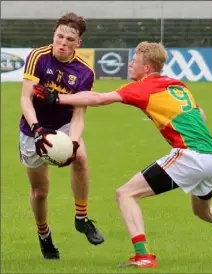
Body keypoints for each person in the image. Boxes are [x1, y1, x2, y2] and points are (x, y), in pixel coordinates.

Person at [33, 41, 212, 267]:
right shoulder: (177, 85)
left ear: (146, 68)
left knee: (125, 194)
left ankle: (144, 256)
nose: (130, 64)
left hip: (191, 156)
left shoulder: (144, 87)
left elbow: (99, 99)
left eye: (135, 61)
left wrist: (57, 98)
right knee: (204, 212)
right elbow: (202, 115)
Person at [19, 12, 105, 260]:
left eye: (69, 39)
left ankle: (82, 218)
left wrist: (74, 142)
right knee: (40, 192)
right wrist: (36, 129)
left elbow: (79, 114)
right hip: (32, 128)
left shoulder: (85, 72)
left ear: (78, 43)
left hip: (64, 126)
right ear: (53, 35)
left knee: (81, 158)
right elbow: (25, 99)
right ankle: (44, 234)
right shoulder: (38, 56)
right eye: (59, 36)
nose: (62, 42)